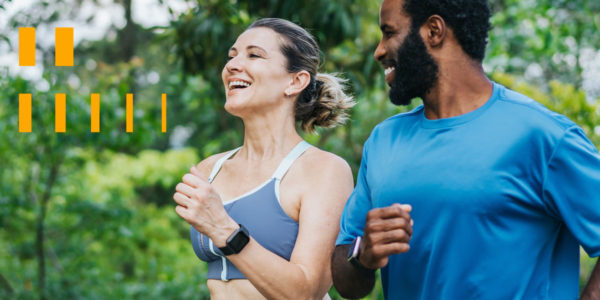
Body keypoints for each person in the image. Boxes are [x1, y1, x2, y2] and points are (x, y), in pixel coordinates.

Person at [331, 0, 600, 299]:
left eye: (389, 32)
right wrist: (363, 255)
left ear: (434, 31)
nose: (379, 51)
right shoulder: (384, 141)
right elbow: (346, 283)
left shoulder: (542, 135)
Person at [172, 18, 355, 299]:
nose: (232, 65)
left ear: (295, 81)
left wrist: (224, 229)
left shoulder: (324, 170)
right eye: (231, 56)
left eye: (254, 55)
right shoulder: (211, 168)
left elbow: (306, 291)